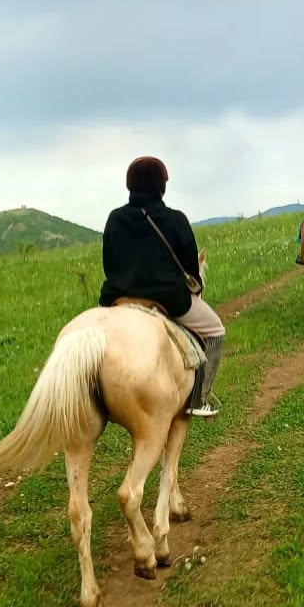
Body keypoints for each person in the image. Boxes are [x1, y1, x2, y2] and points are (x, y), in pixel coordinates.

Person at [99, 156, 226, 417]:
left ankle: (96, 396)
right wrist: (194, 286)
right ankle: (200, 399)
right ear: (162, 186)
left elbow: (108, 264)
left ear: (130, 185)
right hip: (167, 299)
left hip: (117, 299)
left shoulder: (115, 218)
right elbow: (191, 268)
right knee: (216, 331)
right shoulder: (175, 219)